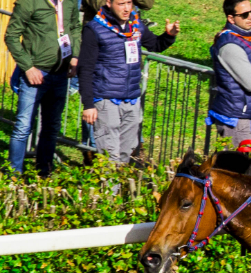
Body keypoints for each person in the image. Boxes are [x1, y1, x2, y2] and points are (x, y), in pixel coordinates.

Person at [78, 0, 179, 164]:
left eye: (129, 3)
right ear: (109, 3)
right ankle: (108, 189)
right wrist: (88, 104)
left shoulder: (136, 25)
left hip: (131, 99)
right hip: (106, 99)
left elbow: (154, 44)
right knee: (109, 158)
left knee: (125, 156)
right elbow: (86, 69)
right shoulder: (94, 29)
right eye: (121, 3)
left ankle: (116, 189)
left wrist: (169, 35)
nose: (126, 8)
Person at [4, 0, 81, 176]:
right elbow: (11, 36)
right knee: (23, 126)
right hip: (36, 73)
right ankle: (14, 175)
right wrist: (28, 67)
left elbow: (75, 27)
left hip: (61, 74)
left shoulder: (69, 1)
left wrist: (75, 56)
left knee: (51, 126)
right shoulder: (29, 2)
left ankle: (44, 173)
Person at [207, 0, 251, 148]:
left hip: (247, 114)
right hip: (235, 118)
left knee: (246, 164)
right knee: (239, 166)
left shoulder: (249, 39)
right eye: (245, 15)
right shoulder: (230, 46)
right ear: (231, 18)